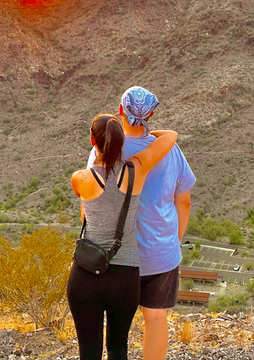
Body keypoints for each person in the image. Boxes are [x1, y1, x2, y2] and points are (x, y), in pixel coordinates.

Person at [87, 86, 195, 360]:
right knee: (156, 318)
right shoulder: (170, 151)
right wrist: (175, 240)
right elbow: (184, 202)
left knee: (115, 326)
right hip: (160, 252)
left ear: (120, 111)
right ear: (152, 113)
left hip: (116, 255)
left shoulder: (105, 149)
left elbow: (91, 203)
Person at [67, 113, 177, 360]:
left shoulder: (80, 178)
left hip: (85, 276)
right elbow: (171, 136)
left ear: (92, 142)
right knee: (118, 348)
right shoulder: (136, 169)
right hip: (125, 277)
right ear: (121, 142)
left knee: (89, 352)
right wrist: (144, 135)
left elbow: (86, 203)